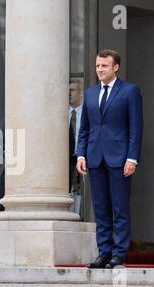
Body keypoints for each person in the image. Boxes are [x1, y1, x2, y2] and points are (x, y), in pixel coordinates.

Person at [76, 49, 143, 269]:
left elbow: (136, 128)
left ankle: (119, 253)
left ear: (115, 67)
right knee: (100, 208)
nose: (99, 70)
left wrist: (132, 158)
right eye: (97, 66)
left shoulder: (130, 91)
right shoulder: (90, 93)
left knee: (120, 208)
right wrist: (81, 154)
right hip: (95, 158)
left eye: (104, 66)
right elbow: (84, 128)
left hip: (120, 159)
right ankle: (104, 252)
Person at [68, 78, 84, 215]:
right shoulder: (61, 113)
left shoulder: (88, 112)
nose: (69, 93)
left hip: (83, 157)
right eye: (67, 91)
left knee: (82, 191)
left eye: (72, 90)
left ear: (80, 92)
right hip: (66, 160)